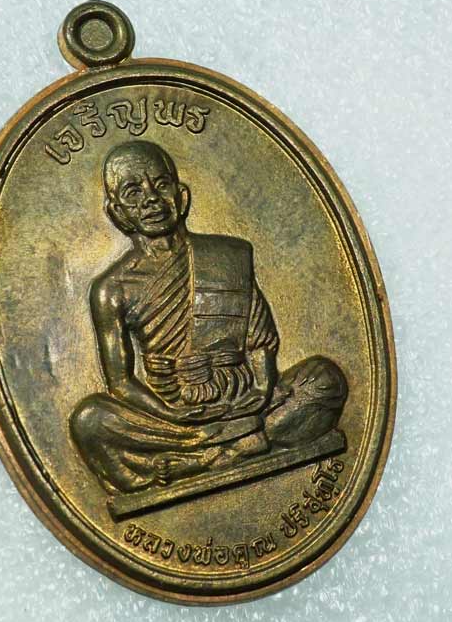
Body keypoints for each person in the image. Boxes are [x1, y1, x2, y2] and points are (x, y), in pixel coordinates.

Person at [70, 141, 347, 494]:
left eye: (161, 185)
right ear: (118, 213)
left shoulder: (227, 255)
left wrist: (262, 388)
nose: (151, 199)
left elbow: (259, 339)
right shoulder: (112, 289)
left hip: (245, 401)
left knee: (325, 378)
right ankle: (224, 449)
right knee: (89, 421)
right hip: (175, 419)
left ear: (181, 196)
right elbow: (121, 383)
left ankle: (210, 457)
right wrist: (172, 415)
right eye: (133, 192)